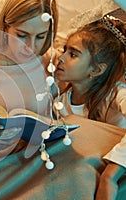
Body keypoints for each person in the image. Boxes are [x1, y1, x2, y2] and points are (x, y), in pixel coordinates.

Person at [54, 15, 126, 200]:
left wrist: (110, 176)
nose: (61, 58)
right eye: (64, 50)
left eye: (73, 54)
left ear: (96, 70)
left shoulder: (116, 95)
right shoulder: (59, 103)